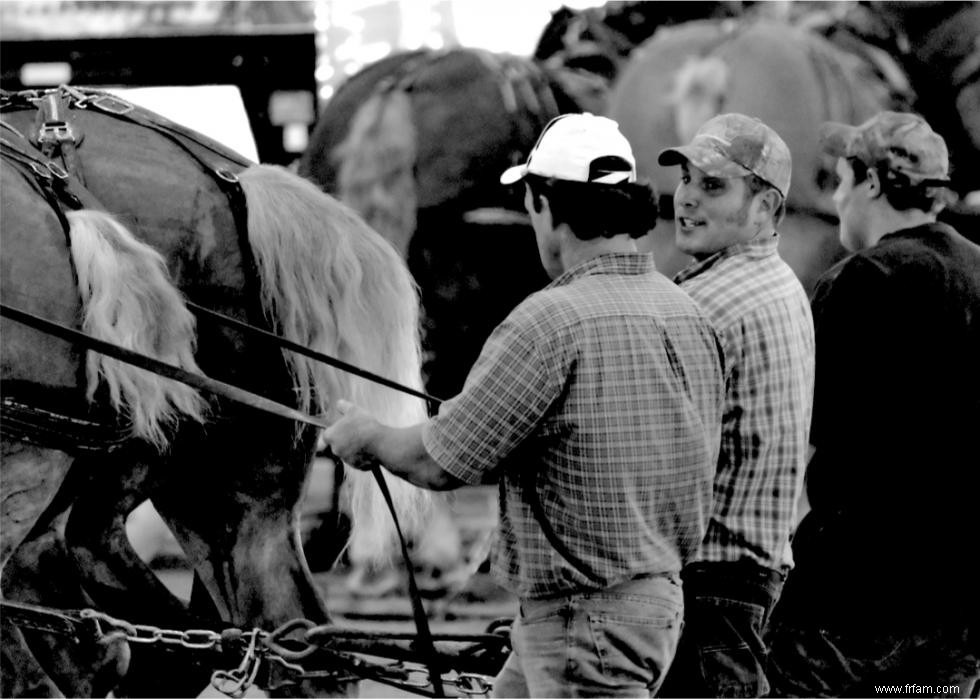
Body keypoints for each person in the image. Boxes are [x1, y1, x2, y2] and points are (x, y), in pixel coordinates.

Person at [324, 113, 726, 698]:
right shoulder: (689, 313)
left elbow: (440, 461)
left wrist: (367, 435)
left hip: (580, 624)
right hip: (654, 605)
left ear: (543, 202)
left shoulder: (547, 322)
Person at [765, 111, 980, 697]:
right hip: (958, 606)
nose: (837, 203)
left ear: (872, 184)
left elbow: (796, 432)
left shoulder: (862, 279)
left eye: (839, 182)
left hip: (852, 599)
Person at [654, 113, 816, 698]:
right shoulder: (782, 284)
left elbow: (656, 460)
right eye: (687, 179)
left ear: (767, 207)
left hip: (707, 586)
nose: (687, 200)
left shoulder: (703, 304)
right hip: (752, 579)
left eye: (713, 185)